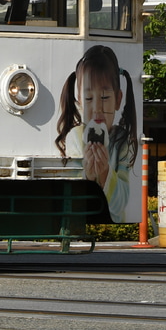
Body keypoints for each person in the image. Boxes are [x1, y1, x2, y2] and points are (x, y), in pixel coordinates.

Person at [54, 45, 136, 217]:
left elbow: (121, 202)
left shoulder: (122, 140)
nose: (97, 108)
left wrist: (105, 172)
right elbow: (73, 195)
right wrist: (89, 177)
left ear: (118, 99)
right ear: (79, 102)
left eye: (105, 97)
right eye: (89, 98)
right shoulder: (76, 137)